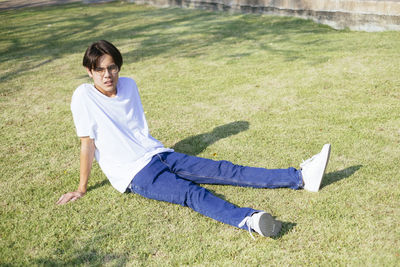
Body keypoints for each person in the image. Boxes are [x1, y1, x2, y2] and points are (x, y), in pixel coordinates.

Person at [57, 40, 331, 239]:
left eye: (112, 67)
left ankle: (301, 177)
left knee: (226, 170)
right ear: (89, 70)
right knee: (191, 193)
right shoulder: (84, 96)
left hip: (158, 153)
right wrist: (81, 189)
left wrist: (158, 151)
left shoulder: (129, 84)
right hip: (135, 173)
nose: (108, 75)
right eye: (100, 69)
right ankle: (250, 220)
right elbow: (87, 143)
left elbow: (135, 129)